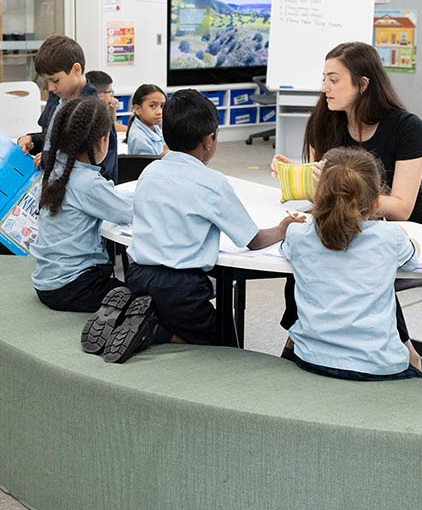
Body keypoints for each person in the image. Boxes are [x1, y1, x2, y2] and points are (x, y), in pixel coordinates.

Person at [85, 89, 302, 364]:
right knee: (225, 344)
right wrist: (283, 228)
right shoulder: (212, 182)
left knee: (186, 326)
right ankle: (155, 331)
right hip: (181, 288)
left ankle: (150, 323)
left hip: (138, 276)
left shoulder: (150, 172)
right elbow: (252, 240)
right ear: (209, 139)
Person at [272, 41, 422, 372]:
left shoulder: (407, 127)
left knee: (350, 260)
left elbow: (401, 207)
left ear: (362, 84)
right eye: (324, 78)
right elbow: (320, 195)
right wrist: (295, 175)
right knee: (313, 257)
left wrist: (337, 191)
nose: (324, 88)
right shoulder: (325, 121)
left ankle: (402, 346)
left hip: (400, 229)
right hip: (345, 222)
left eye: (333, 79)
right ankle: (302, 336)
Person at [280, 147, 422, 400]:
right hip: (377, 366)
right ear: (376, 202)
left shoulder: (298, 235)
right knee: (419, 378)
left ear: (317, 195)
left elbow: (287, 250)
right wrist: (405, 238)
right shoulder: (389, 238)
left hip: (310, 359)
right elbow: (411, 257)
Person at [30, 96, 133, 313]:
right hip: (76, 286)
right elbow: (128, 212)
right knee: (145, 300)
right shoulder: (88, 184)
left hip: (46, 283)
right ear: (101, 141)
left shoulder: (56, 171)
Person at [17, 35, 118, 183]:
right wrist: (34, 140)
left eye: (55, 80)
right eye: (47, 81)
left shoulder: (94, 111)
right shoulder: (59, 99)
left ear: (76, 69)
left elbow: (99, 161)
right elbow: (59, 137)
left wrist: (52, 159)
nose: (51, 87)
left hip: (82, 196)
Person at [125, 83, 168, 156]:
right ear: (137, 109)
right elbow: (146, 165)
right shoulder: (139, 139)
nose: (159, 112)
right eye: (152, 106)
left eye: (162, 106)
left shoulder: (154, 126)